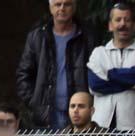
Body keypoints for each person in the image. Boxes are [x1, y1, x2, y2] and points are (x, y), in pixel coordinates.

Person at [16, 0, 95, 129]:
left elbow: (96, 72)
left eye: (67, 4)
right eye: (58, 4)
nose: (62, 8)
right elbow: (23, 73)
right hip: (46, 115)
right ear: (50, 7)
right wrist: (34, 101)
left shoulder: (87, 36)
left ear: (74, 7)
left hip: (79, 113)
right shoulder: (37, 36)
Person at [86, 1, 135, 132]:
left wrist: (110, 75)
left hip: (134, 127)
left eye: (127, 20)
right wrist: (132, 80)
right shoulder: (98, 53)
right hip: (101, 127)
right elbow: (96, 85)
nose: (123, 24)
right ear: (110, 25)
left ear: (134, 25)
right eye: (118, 20)